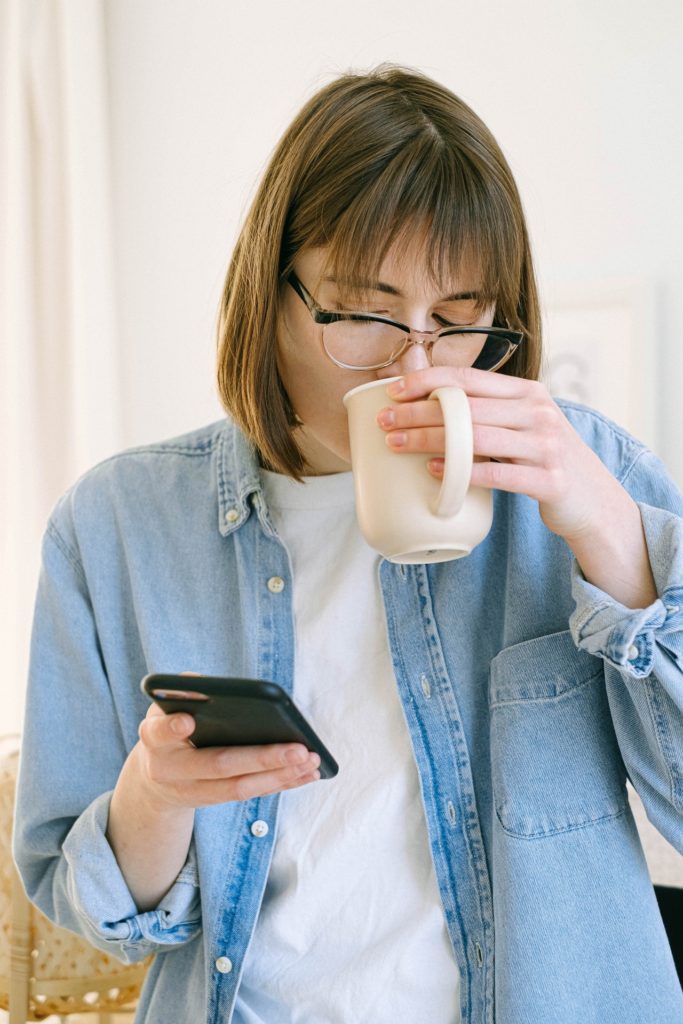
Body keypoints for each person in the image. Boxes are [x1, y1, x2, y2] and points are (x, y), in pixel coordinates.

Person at [13, 64, 683, 1024]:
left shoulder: (587, 478)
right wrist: (156, 794)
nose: (415, 364)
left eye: (458, 321)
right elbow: (93, 916)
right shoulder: (116, 528)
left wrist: (612, 541)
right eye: (365, 313)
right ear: (272, 293)